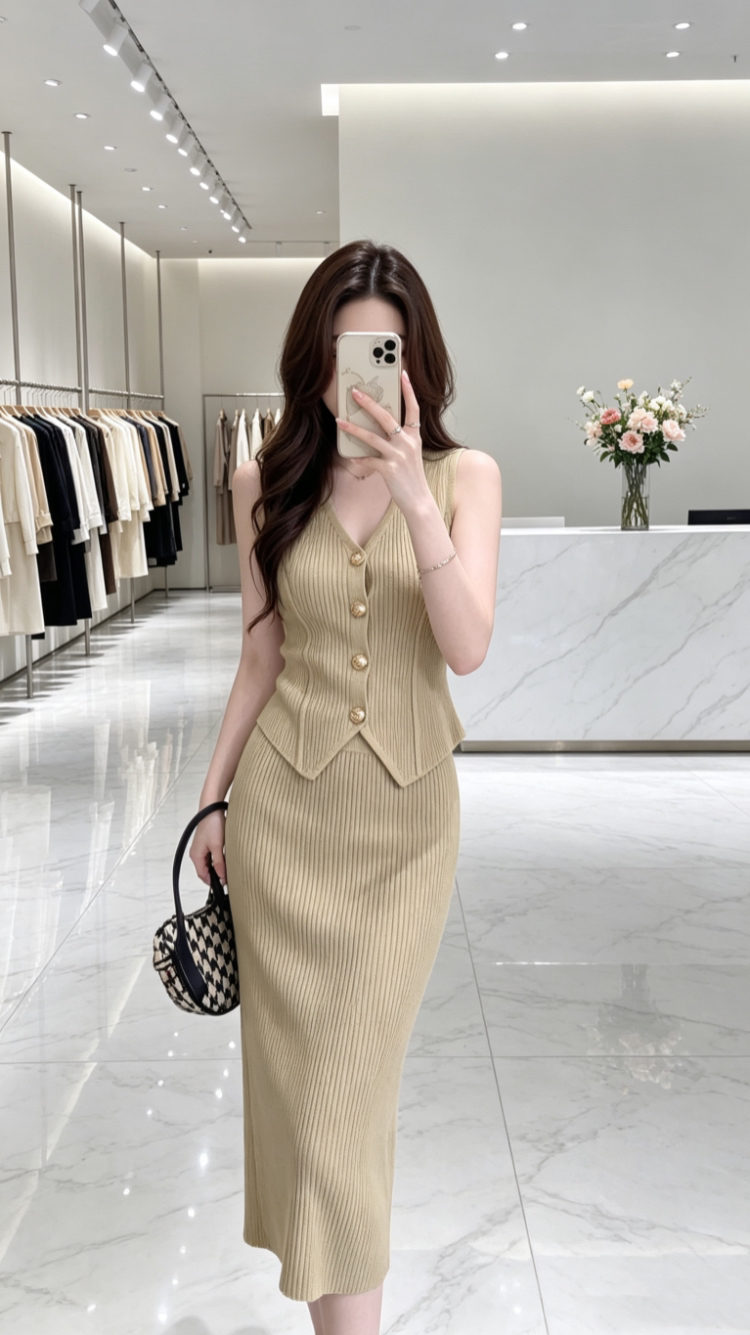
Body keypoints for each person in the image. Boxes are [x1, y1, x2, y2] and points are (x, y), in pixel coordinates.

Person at [189, 239, 502, 1335]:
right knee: (313, 1110)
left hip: (405, 834)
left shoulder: (467, 479)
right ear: (310, 357)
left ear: (416, 362)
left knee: (346, 1099)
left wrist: (415, 497)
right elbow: (260, 658)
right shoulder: (262, 484)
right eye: (341, 350)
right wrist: (214, 798)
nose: (358, 373)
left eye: (384, 351)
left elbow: (466, 647)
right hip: (285, 823)